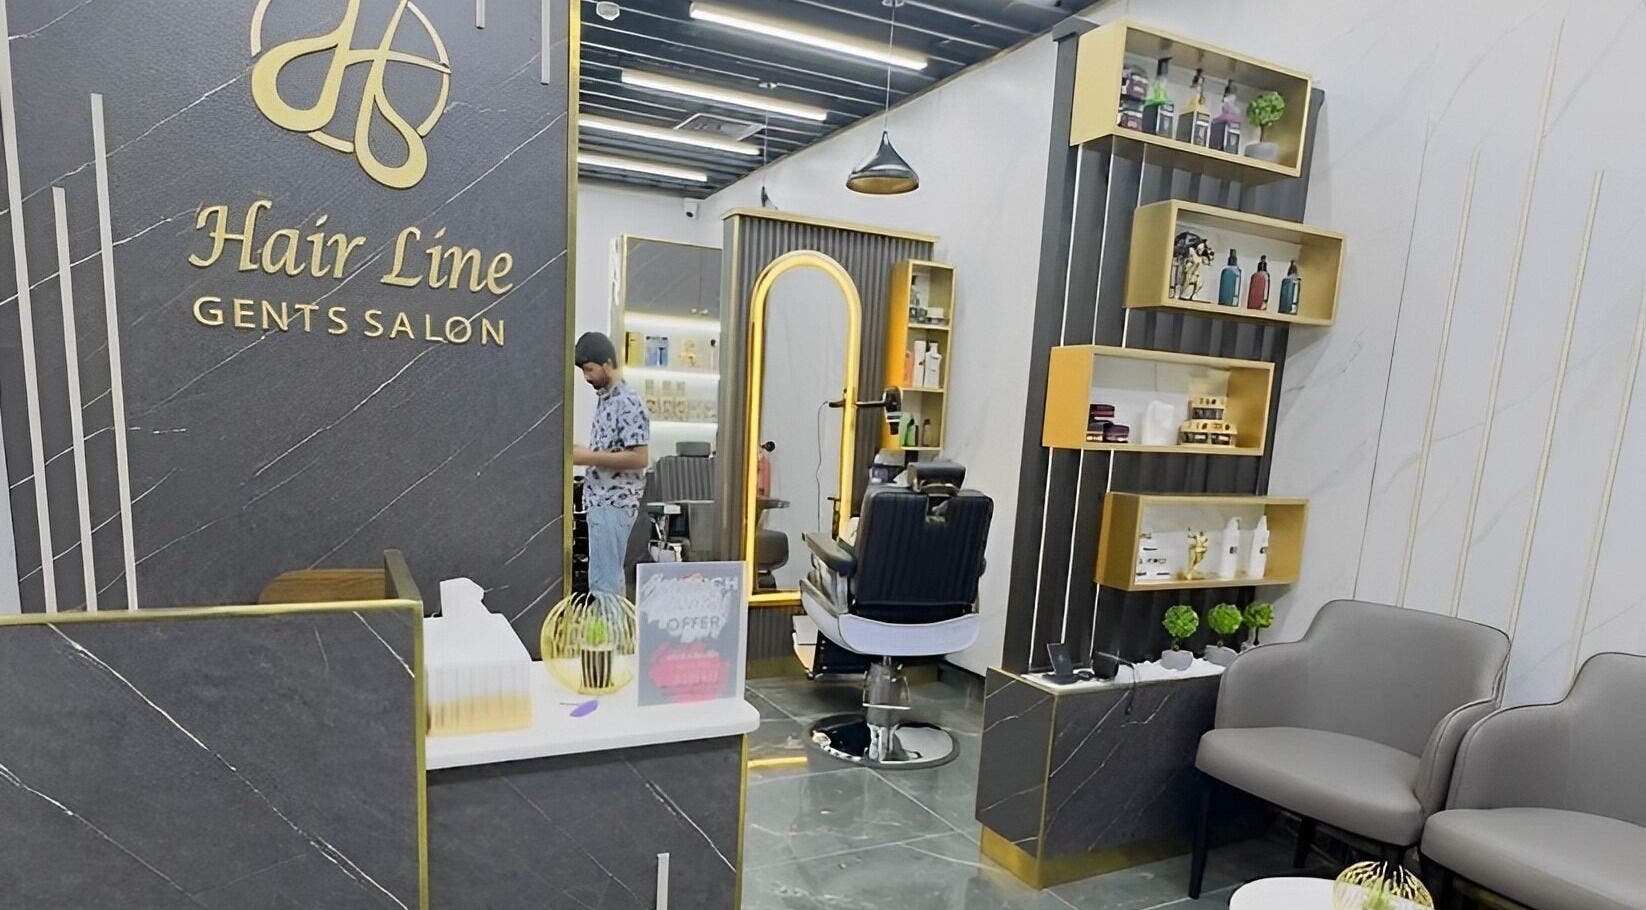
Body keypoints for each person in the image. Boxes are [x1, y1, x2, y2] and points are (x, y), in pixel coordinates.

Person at [572, 332, 650, 596]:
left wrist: (588, 457)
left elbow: (640, 457)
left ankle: (612, 636)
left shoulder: (627, 402)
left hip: (614, 503)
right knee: (604, 581)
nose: (587, 377)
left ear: (606, 363)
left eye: (590, 369)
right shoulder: (607, 400)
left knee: (604, 584)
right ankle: (612, 635)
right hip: (603, 503)